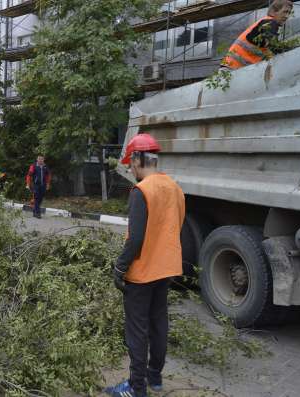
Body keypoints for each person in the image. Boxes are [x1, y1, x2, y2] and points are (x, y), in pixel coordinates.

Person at [105, 134, 185, 397]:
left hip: (142, 272)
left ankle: (136, 388)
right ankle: (155, 377)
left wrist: (120, 267)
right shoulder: (174, 187)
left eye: (131, 163)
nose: (130, 168)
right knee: (158, 322)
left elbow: (136, 238)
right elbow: (177, 226)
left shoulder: (142, 191)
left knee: (137, 330)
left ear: (139, 159)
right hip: (167, 268)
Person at [221, 0, 293, 70]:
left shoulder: (265, 23)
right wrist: (294, 48)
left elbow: (270, 49)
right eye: (285, 12)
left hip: (233, 69)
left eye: (289, 13)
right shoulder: (270, 23)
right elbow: (275, 47)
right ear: (274, 12)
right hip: (232, 70)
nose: (287, 16)